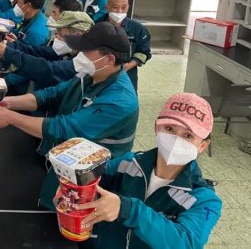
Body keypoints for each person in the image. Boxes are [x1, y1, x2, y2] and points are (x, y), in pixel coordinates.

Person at [0, 22, 138, 210]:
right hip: (68, 165)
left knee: (70, 221)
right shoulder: (89, 76)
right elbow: (52, 94)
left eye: (87, 51)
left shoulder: (119, 101)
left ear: (109, 59)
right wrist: (9, 102)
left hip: (92, 181)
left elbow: (65, 129)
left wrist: (10, 117)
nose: (80, 55)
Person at [76, 93, 221, 249]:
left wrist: (128, 210)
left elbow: (186, 243)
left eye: (188, 135)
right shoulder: (126, 164)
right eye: (169, 129)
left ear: (202, 145)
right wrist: (72, 185)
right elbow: (92, 178)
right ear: (156, 128)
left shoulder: (204, 200)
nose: (176, 140)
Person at [0, 11, 93, 92]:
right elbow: (39, 52)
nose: (57, 38)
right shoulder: (69, 51)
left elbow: (46, 69)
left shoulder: (84, 62)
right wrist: (10, 45)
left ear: (77, 35)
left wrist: (9, 53)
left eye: (61, 34)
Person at [0, 0, 50, 94]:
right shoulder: (32, 18)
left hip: (22, 84)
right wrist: (17, 42)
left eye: (18, 2)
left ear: (27, 6)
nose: (16, 5)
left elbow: (29, 67)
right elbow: (26, 45)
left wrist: (3, 82)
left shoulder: (36, 32)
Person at [100, 0, 151, 91]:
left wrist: (129, 65)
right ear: (107, 7)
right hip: (101, 72)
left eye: (123, 8)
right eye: (115, 7)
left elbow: (144, 52)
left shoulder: (138, 29)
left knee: (126, 97)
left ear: (128, 7)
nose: (119, 11)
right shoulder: (97, 26)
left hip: (128, 73)